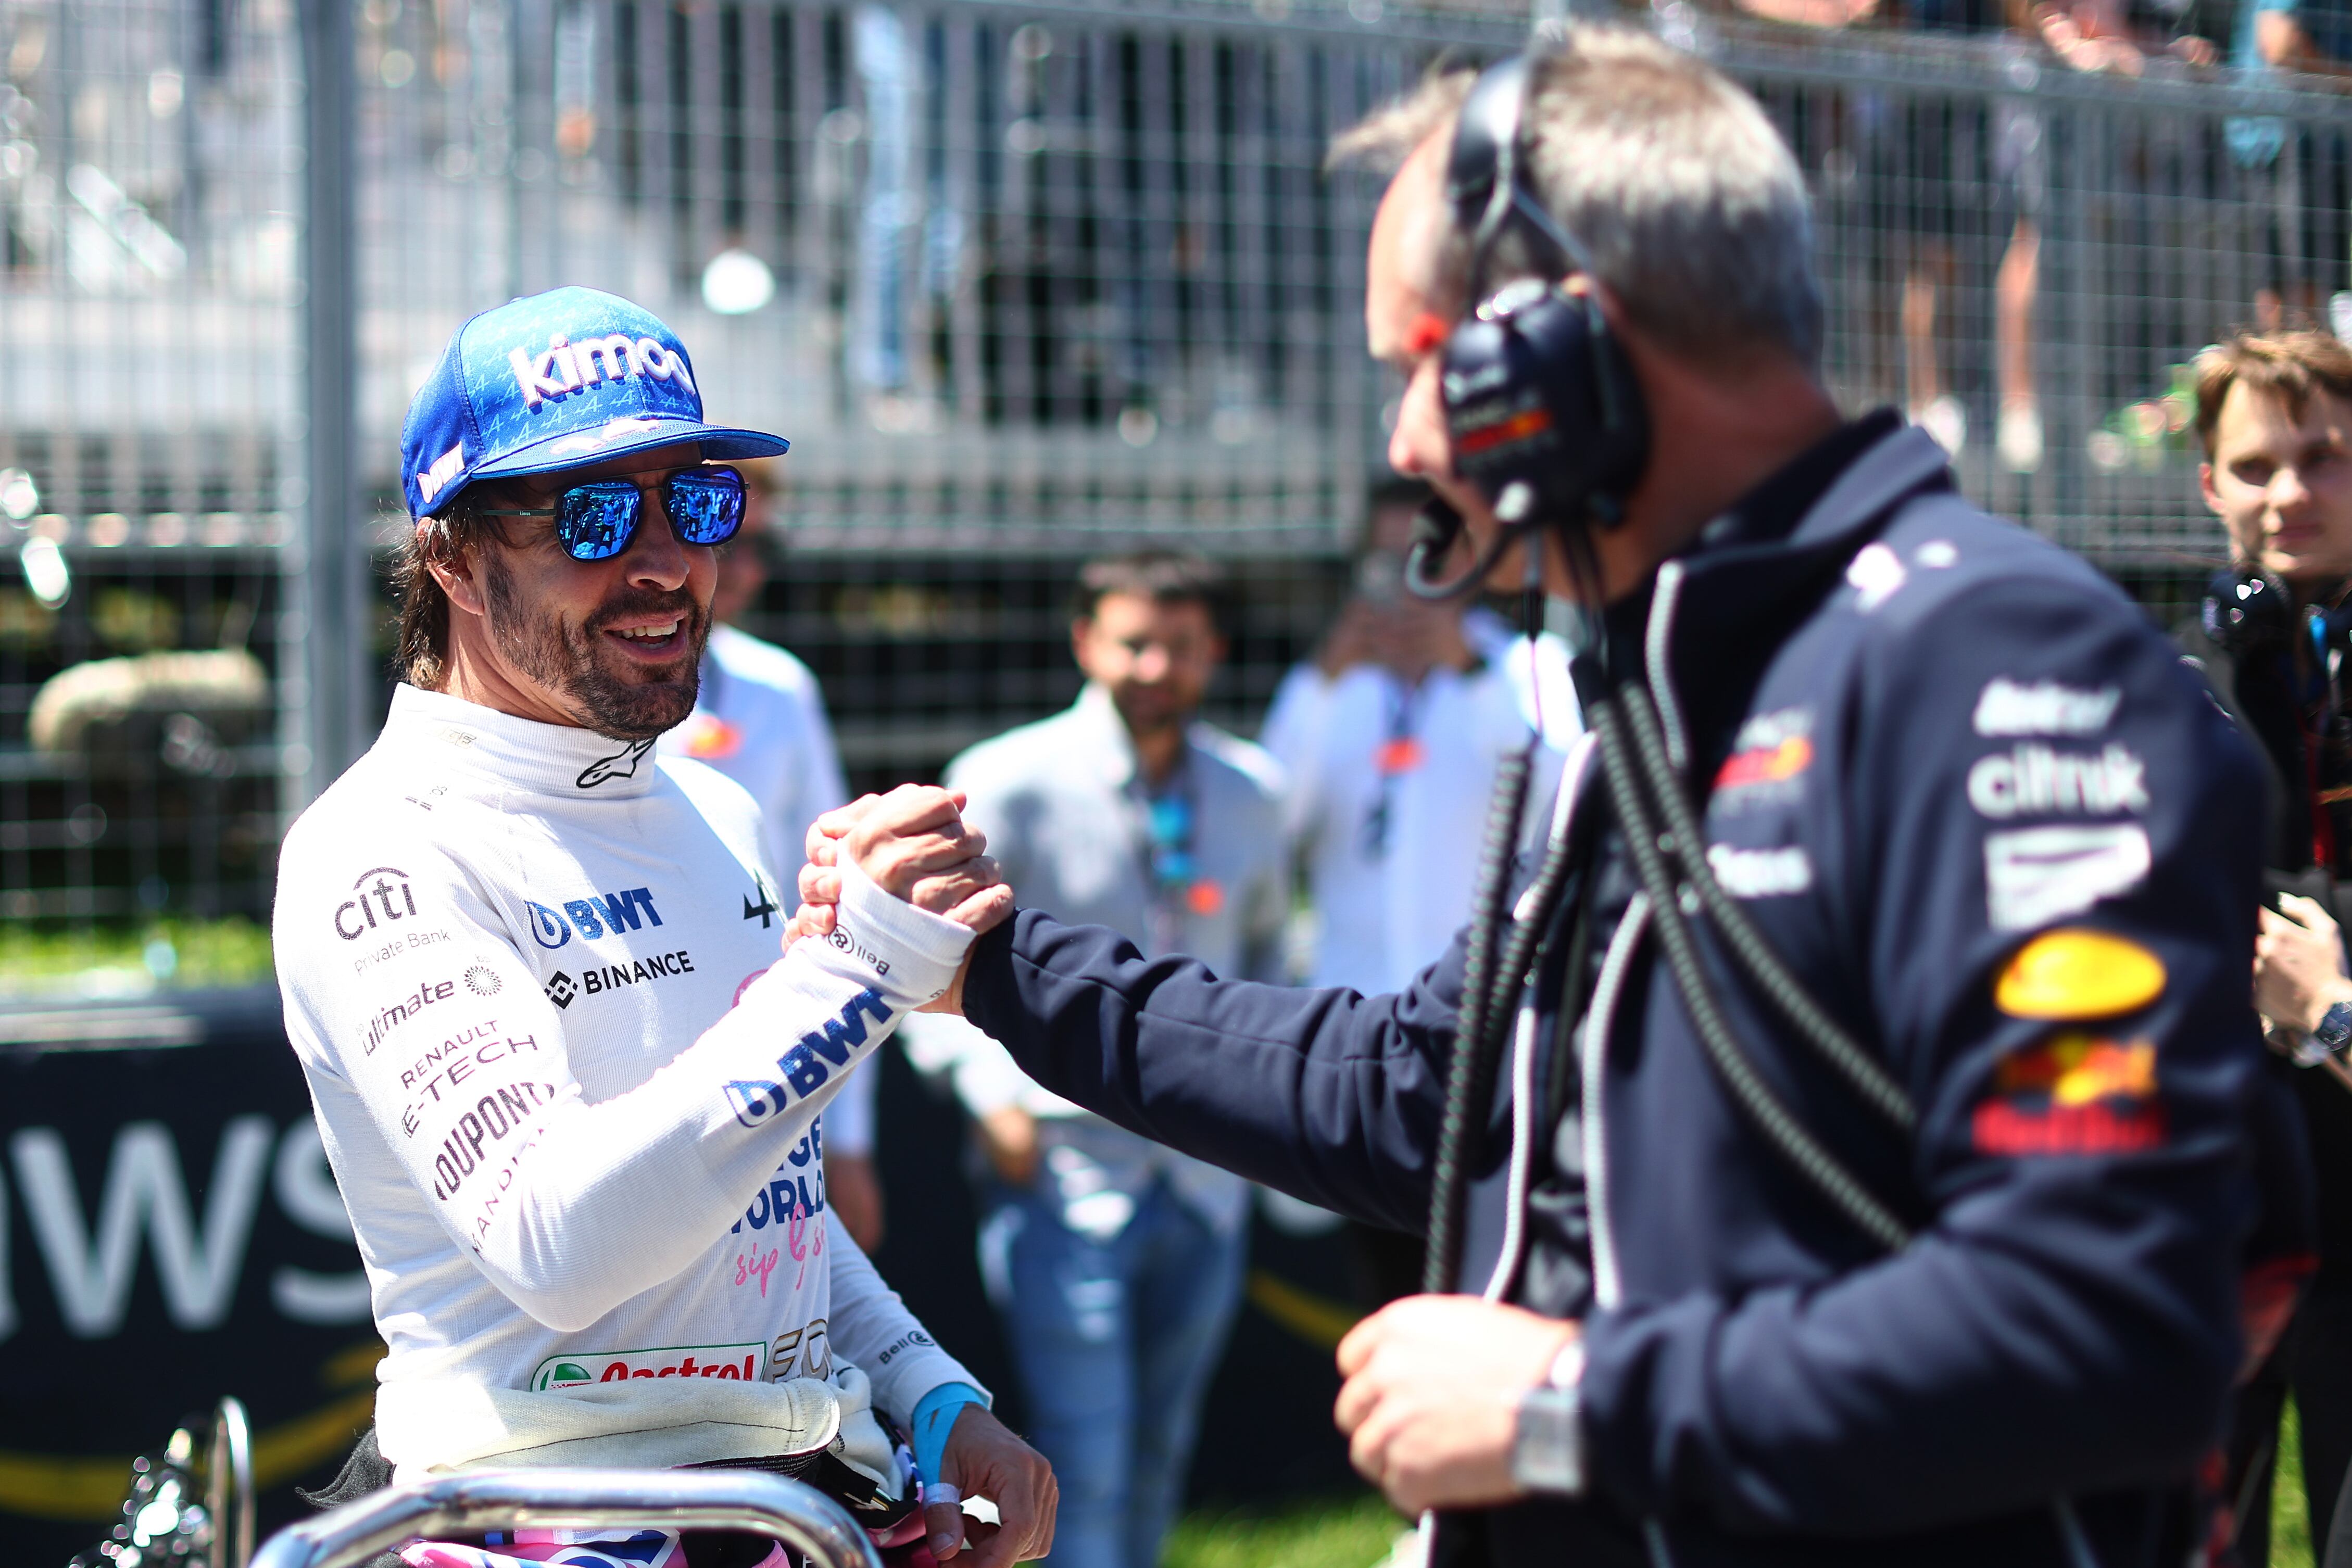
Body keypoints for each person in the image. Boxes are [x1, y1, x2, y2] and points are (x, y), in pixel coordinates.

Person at [798, 31, 2299, 1566]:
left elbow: (2112, 1313)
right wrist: (985, 961)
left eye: (1415, 364)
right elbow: (1409, 1088)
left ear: (1551, 359)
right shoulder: (1657, 707)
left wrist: (1567, 1395)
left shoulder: (1987, 668)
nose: (1397, 437)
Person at [272, 285, 1053, 1568]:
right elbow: (560, 1241)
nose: (660, 564)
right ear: (452, 558)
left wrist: (928, 1390)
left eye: (694, 502)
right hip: (539, 1513)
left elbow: (761, 1201)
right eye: (587, 515)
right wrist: (859, 969)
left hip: (798, 1491)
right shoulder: (379, 847)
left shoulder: (717, 805)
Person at [895, 551, 1287, 1568]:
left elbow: (1266, 966)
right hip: (1066, 1168)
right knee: (1084, 1457)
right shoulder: (1008, 780)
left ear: (1215, 653)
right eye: (1133, 642)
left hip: (1204, 1170)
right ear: (1085, 645)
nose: (1156, 666)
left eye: (1181, 645)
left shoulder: (1251, 792)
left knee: (1160, 1450)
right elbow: (920, 958)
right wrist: (992, 1100)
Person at [2177, 330, 2352, 1565]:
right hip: (2214, 1206)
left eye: (2324, 457)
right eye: (2256, 464)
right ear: (2206, 485)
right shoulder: (2166, 681)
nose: (2289, 491)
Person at [653, 463, 882, 1252]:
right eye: (724, 536)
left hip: (775, 1064)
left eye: (761, 547)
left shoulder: (780, 688)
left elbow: (835, 904)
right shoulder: (591, 688)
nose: (743, 569)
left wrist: (847, 1136)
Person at [1261, 480, 1573, 998]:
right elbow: (1272, 817)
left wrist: (1469, 673)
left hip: (1485, 1007)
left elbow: (1561, 802)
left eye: (1427, 559)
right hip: (1353, 1002)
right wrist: (1324, 676)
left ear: (1470, 563)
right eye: (1387, 562)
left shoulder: (1530, 667)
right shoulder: (1327, 684)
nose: (1409, 583)